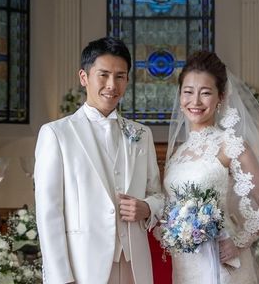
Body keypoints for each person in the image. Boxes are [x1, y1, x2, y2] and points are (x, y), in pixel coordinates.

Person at [163, 51, 259, 283]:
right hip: (185, 263)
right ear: (180, 96)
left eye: (205, 93)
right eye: (188, 92)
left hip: (222, 263)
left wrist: (239, 242)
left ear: (220, 97)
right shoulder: (178, 153)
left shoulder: (231, 145)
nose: (195, 101)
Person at [34, 37, 164, 284]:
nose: (112, 85)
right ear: (84, 77)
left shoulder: (142, 134)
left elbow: (157, 194)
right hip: (83, 267)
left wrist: (147, 207)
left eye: (120, 76)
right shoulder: (56, 134)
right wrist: (60, 277)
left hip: (134, 265)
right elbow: (49, 212)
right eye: (103, 75)